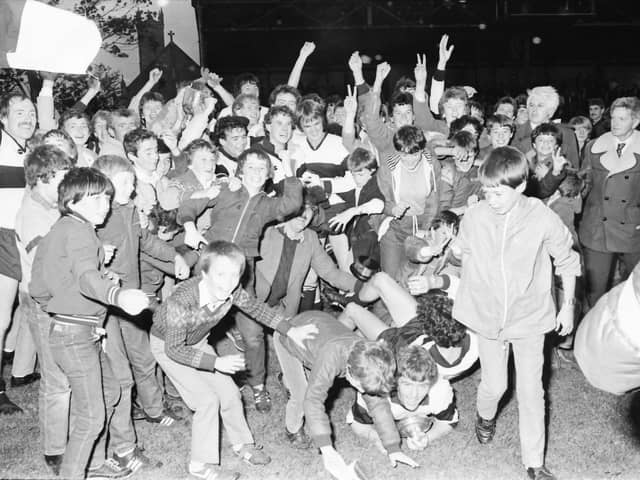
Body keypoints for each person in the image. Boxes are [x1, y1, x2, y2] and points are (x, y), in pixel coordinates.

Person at [451, 146, 580, 480]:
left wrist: (567, 306)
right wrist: (449, 250)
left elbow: (567, 259)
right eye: (486, 191)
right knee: (495, 385)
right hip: (488, 317)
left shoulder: (541, 216)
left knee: (531, 390)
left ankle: (534, 463)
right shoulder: (476, 215)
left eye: (498, 193)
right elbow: (460, 251)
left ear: (521, 186)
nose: (490, 199)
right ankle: (485, 415)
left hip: (530, 317)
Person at [149, 241, 317, 480]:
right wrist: (215, 363)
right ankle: (200, 465)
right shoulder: (181, 300)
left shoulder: (232, 291)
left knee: (229, 392)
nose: (227, 282)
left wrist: (290, 331)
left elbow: (259, 310)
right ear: (204, 273)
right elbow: (175, 349)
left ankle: (242, 445)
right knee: (206, 400)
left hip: (196, 341)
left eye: (234, 275)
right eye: (220, 274)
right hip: (168, 346)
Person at [30, 167, 151, 480]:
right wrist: (116, 294)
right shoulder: (81, 233)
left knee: (110, 391)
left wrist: (73, 309)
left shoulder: (61, 230)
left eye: (107, 199)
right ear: (72, 202)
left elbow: (39, 289)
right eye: (95, 199)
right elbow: (86, 278)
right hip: (75, 336)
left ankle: (94, 466)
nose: (105, 206)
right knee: (92, 416)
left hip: (75, 331)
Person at [179, 148, 303, 413]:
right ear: (240, 170)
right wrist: (189, 225)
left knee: (254, 335)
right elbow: (190, 204)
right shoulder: (224, 189)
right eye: (251, 167)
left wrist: (288, 171)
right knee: (193, 329)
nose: (256, 172)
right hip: (210, 267)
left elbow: (291, 203)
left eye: (262, 168)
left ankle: (258, 386)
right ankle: (195, 384)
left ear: (269, 174)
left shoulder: (268, 204)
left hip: (241, 274)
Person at [94, 155, 190, 428]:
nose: (132, 189)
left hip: (133, 298)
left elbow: (146, 241)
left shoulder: (129, 210)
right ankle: (119, 425)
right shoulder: (97, 218)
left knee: (144, 357)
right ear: (105, 183)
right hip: (106, 304)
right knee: (117, 368)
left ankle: (155, 409)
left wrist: (175, 257)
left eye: (133, 182)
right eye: (125, 183)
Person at [275, 310, 419, 480]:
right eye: (361, 387)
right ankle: (292, 430)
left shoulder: (368, 357)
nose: (364, 393)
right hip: (290, 334)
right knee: (301, 394)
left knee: (314, 374)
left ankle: (290, 378)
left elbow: (379, 405)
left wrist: (393, 447)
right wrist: (327, 449)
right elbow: (313, 400)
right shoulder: (332, 356)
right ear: (349, 370)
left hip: (319, 332)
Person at [14, 145, 72, 475]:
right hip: (44, 305)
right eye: (63, 176)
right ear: (43, 177)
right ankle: (54, 450)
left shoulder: (51, 207)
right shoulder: (33, 214)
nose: (67, 182)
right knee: (57, 378)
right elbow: (44, 264)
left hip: (58, 300)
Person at [579, 96, 640, 307]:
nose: (615, 123)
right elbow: (584, 184)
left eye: (622, 119)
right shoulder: (594, 147)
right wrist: (568, 180)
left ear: (636, 121)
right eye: (613, 118)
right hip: (597, 229)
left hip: (633, 229)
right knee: (595, 294)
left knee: (635, 292)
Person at [348, 344, 458, 452]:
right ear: (395, 382)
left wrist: (428, 437)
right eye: (407, 385)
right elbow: (357, 422)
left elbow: (448, 422)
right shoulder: (377, 392)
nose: (414, 394)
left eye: (423, 386)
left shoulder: (439, 390)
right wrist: (376, 437)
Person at [0, 93, 36, 415]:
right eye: (19, 111)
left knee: (8, 316)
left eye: (31, 111)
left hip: (20, 238)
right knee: (1, 316)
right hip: (1, 236)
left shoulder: (31, 151)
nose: (27, 117)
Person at [376, 125, 441, 280]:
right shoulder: (387, 168)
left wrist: (426, 228)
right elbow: (379, 201)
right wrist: (392, 209)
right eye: (404, 155)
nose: (410, 160)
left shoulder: (432, 165)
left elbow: (433, 201)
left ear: (421, 149)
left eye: (415, 154)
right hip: (396, 228)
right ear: (398, 151)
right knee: (390, 281)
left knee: (412, 281)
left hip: (422, 228)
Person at [511, 86, 579, 169]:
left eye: (540, 105)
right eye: (531, 105)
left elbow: (574, 171)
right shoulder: (514, 133)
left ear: (550, 111)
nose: (534, 109)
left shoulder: (566, 134)